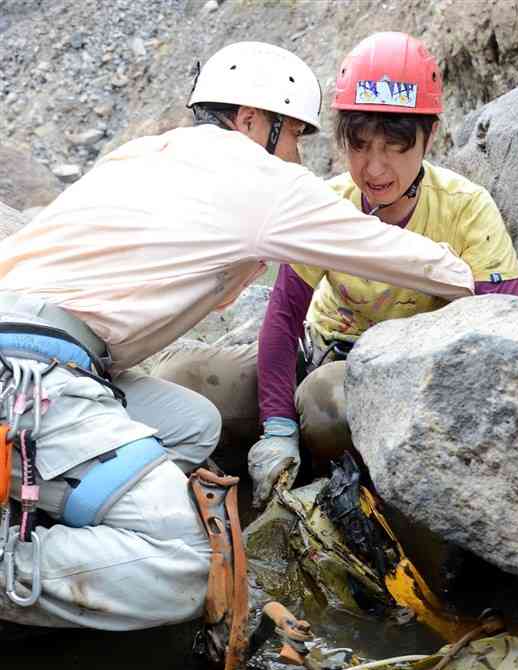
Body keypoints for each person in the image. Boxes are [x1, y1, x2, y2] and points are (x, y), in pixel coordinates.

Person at [0, 40, 473, 631]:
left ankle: (52, 509)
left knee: (194, 423)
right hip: (31, 377)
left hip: (43, 352)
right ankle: (20, 560)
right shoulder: (262, 180)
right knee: (195, 561)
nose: (298, 155)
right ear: (253, 120)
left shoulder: (144, 154)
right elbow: (405, 257)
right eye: (294, 135)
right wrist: (478, 280)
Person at [242, 31, 518, 506]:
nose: (375, 169)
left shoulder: (466, 209)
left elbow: (502, 328)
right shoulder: (330, 206)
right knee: (208, 383)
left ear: (429, 135)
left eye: (395, 147)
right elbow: (284, 316)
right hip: (331, 350)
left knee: (326, 406)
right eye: (359, 146)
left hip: (420, 372)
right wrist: (276, 427)